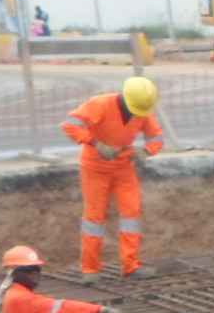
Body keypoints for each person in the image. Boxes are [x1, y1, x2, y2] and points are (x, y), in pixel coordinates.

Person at [62, 75, 162, 277]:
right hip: (95, 168)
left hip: (124, 167)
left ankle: (130, 266)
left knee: (131, 215)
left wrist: (147, 151)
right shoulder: (100, 104)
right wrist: (95, 143)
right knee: (94, 219)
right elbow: (69, 125)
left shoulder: (141, 110)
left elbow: (156, 136)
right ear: (125, 98)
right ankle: (90, 269)